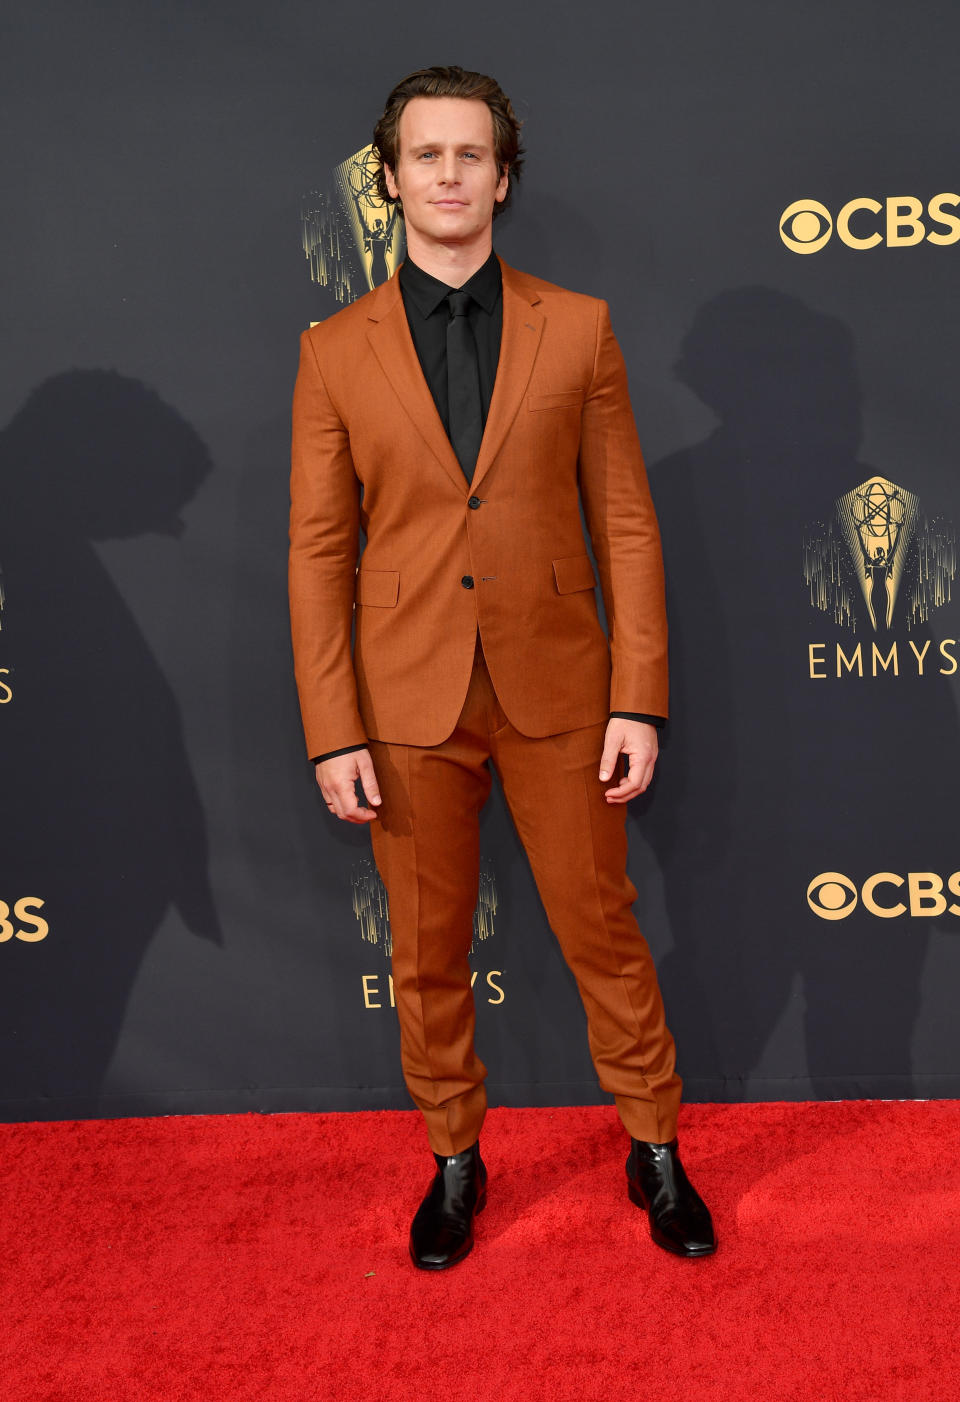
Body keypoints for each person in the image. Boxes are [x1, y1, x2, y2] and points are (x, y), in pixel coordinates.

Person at [289, 65, 715, 1269]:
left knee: (604, 930)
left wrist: (639, 694)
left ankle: (655, 1144)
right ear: (390, 180)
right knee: (424, 950)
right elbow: (319, 552)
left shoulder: (577, 326)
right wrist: (334, 727)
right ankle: (455, 1157)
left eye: (470, 155)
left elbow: (625, 521)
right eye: (426, 155)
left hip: (563, 694)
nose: (449, 175)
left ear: (503, 176)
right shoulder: (332, 351)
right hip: (405, 700)